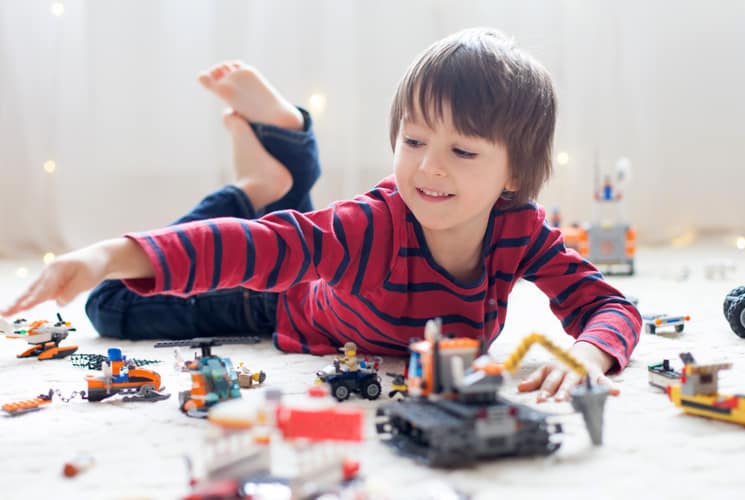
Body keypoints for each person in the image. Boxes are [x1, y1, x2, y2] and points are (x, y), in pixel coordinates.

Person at [1, 28, 641, 401]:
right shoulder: (375, 225)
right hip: (283, 304)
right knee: (108, 307)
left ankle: (281, 166)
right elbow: (250, 249)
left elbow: (611, 307)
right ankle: (260, 179)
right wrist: (106, 255)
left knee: (302, 226)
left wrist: (589, 355)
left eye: (463, 150)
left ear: (516, 176)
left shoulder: (520, 231)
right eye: (412, 141)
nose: (427, 169)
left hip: (324, 264)